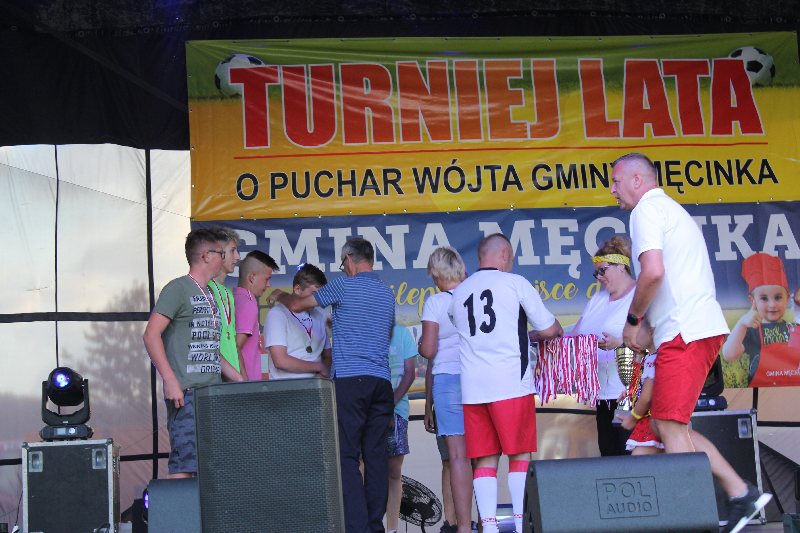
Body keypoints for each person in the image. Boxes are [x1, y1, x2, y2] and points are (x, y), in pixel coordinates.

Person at [612, 152, 771, 533]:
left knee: (668, 426)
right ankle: (741, 493)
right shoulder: (669, 210)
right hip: (689, 329)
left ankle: (692, 518)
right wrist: (648, 330)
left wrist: (633, 321)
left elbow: (653, 272)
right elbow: (673, 284)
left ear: (637, 180)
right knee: (670, 425)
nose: (613, 190)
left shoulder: (646, 210)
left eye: (616, 181)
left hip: (686, 332)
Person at [268, 237, 395, 533]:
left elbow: (298, 304)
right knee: (376, 456)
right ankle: (375, 526)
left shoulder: (344, 285)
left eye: (342, 264)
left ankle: (357, 527)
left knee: (346, 455)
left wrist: (279, 294)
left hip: (351, 380)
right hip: (382, 381)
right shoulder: (386, 293)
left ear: (349, 259)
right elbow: (386, 334)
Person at [449, 233, 563, 533]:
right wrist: (539, 334)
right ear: (503, 254)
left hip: (473, 388)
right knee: (519, 453)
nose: (511, 263)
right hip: (510, 382)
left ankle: (488, 526)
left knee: (484, 459)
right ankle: (520, 523)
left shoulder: (460, 292)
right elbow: (550, 329)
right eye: (510, 257)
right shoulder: (515, 283)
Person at [142, 229, 243, 478]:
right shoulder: (178, 288)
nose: (226, 258)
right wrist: (170, 380)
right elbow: (151, 335)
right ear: (206, 255)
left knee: (211, 467)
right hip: (186, 393)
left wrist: (240, 380)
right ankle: (180, 506)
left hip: (213, 393)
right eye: (221, 253)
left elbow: (211, 350)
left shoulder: (210, 293)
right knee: (185, 463)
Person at [419, 246, 473, 533]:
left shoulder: (436, 302)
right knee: (482, 456)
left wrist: (421, 343)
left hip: (448, 380)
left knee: (456, 458)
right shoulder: (475, 295)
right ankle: (485, 520)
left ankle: (461, 526)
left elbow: (429, 351)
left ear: (437, 274)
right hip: (477, 379)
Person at [571, 235, 636, 456]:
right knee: (609, 455)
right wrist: (547, 337)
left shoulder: (638, 297)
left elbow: (653, 338)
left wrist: (620, 343)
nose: (599, 277)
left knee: (631, 455)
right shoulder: (597, 300)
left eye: (603, 270)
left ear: (621, 266)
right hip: (603, 395)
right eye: (596, 273)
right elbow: (574, 334)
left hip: (629, 394)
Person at [721, 252, 800, 387]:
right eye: (764, 298)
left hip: (793, 392)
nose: (772, 304)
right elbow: (729, 355)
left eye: (778, 297)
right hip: (760, 394)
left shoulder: (795, 329)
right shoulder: (751, 331)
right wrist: (742, 324)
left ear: (787, 298)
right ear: (752, 300)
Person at [264, 263, 330, 379]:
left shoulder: (319, 316)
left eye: (322, 295)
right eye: (314, 294)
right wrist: (318, 367)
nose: (318, 299)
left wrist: (323, 372)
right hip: (287, 386)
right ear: (298, 289)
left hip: (318, 385)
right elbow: (280, 361)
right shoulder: (277, 314)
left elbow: (327, 354)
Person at [386, 325, 418, 533]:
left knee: (394, 472)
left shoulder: (402, 333)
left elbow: (409, 374)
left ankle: (392, 529)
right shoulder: (364, 330)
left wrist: (389, 406)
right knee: (362, 469)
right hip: (367, 411)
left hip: (397, 410)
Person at [233, 250, 279, 381]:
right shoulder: (248, 303)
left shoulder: (233, 297)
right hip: (245, 384)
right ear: (252, 277)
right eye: (267, 279)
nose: (268, 285)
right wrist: (244, 384)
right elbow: (235, 347)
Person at [208, 227, 243, 378]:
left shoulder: (228, 293)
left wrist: (241, 378)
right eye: (232, 251)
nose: (238, 257)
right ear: (219, 253)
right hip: (215, 378)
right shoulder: (205, 290)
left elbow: (233, 343)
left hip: (232, 379)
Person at [619, 351, 664, 455]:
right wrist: (630, 391)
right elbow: (641, 387)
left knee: (638, 462)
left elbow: (646, 398)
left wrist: (632, 418)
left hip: (652, 420)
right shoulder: (648, 358)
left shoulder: (653, 358)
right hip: (652, 420)